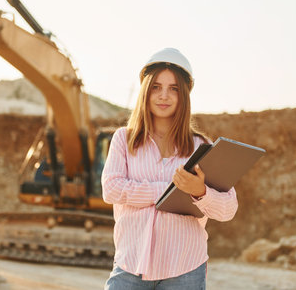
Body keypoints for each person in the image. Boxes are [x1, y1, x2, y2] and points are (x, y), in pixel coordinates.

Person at [101, 48, 238, 289]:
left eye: (173, 88)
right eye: (156, 87)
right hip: (130, 265)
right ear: (146, 90)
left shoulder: (201, 146)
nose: (164, 95)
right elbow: (111, 189)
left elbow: (228, 209)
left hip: (184, 270)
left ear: (184, 95)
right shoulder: (124, 139)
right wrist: (168, 190)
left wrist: (200, 192)